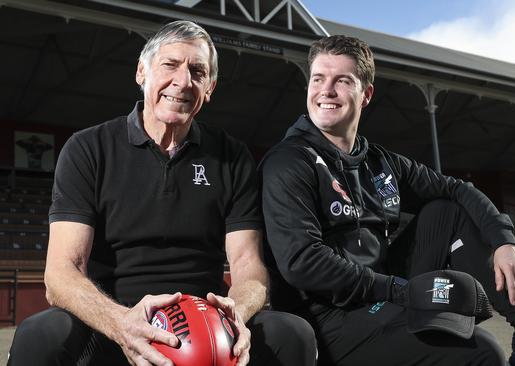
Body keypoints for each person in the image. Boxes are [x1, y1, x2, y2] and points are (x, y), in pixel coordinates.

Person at [260, 35, 515, 366]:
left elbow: (458, 189)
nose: (326, 91)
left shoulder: (381, 162)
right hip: (328, 316)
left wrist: (505, 240)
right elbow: (303, 263)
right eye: (318, 79)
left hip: (382, 293)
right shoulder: (289, 162)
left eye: (342, 80)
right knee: (483, 351)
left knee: (447, 210)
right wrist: (402, 292)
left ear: (366, 94)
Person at [8, 20, 316, 366]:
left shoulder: (232, 156)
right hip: (114, 318)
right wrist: (122, 324)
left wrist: (235, 315)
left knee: (294, 334)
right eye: (170, 64)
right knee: (38, 335)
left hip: (204, 320)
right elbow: (61, 274)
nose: (182, 81)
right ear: (142, 72)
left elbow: (248, 266)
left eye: (197, 71)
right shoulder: (88, 148)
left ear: (209, 87)